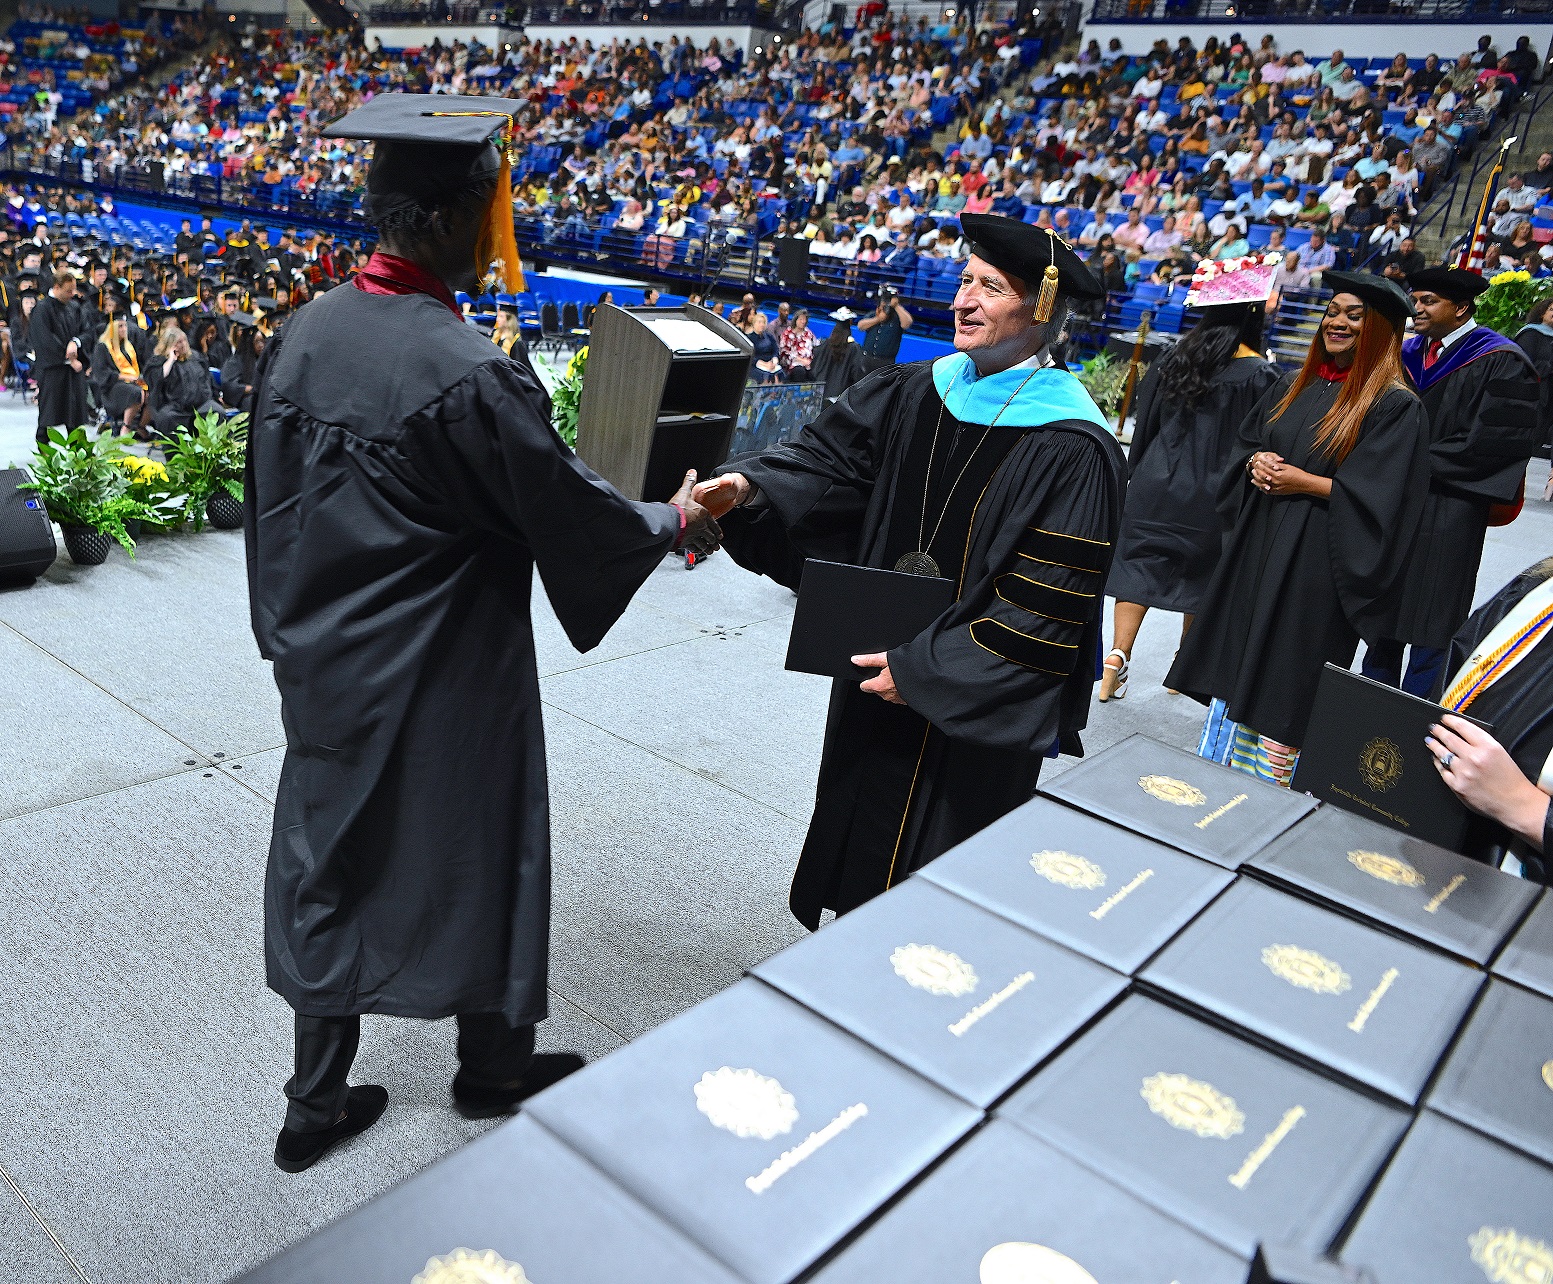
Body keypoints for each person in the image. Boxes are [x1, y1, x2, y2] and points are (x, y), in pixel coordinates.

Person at [244, 96, 722, 1175]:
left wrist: (288, 638)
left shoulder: (306, 331)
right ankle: (493, 1064)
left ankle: (313, 1105)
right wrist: (674, 519)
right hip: (449, 662)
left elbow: (269, 507)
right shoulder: (462, 369)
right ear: (466, 217)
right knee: (490, 836)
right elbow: (561, 508)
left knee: (331, 858)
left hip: (325, 657)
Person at [691, 214, 1125, 929]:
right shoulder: (913, 390)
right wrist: (748, 488)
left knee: (937, 889)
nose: (964, 300)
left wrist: (928, 672)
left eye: (990, 287)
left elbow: (1047, 607)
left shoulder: (1073, 446)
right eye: (963, 281)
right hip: (874, 665)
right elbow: (823, 465)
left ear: (1039, 310)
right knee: (861, 846)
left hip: (965, 697)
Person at [1166, 272, 1429, 785]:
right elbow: (1246, 445)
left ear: (1379, 330)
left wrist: (1307, 483)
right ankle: (1217, 776)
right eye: (1332, 311)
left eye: (1354, 315)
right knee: (1241, 658)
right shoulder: (1294, 385)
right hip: (1260, 548)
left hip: (1319, 564)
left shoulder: (1396, 406)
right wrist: (1255, 462)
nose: (1337, 322)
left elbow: (1388, 503)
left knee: (1289, 674)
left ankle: (1272, 790)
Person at [1360, 267, 1543, 697]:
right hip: (1393, 505)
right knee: (1382, 610)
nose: (1416, 308)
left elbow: (1492, 447)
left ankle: (1415, 720)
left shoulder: (1502, 361)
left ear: (1461, 308)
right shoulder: (1402, 355)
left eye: (1427, 301)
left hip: (1451, 509)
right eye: (1415, 299)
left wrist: (1401, 461)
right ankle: (1365, 709)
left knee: (1434, 617)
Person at [1102, 266, 1280, 702]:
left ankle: (1116, 659)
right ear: (1252, 313)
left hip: (1156, 484)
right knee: (1206, 579)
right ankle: (1184, 667)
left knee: (1137, 570)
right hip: (1217, 494)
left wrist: (1138, 474)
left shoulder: (1173, 358)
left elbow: (1146, 428)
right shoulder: (1261, 376)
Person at [1428, 556, 1553, 881]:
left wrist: (1523, 806)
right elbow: (1440, 699)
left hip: (1522, 902)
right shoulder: (1537, 591)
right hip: (1432, 853)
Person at [32, 267, 86, 441]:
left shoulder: (74, 307)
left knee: (75, 415)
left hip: (72, 371)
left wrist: (75, 342)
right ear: (56, 287)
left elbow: (86, 331)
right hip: (52, 370)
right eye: (68, 290)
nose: (72, 294)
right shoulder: (42, 308)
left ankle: (78, 453)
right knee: (49, 414)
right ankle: (44, 452)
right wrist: (69, 359)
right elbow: (44, 340)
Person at [147, 327, 219, 439]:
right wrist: (171, 359)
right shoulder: (159, 361)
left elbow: (206, 380)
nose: (183, 344)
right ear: (169, 345)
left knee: (216, 411)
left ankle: (210, 453)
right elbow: (158, 378)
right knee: (168, 418)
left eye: (184, 340)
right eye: (179, 342)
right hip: (172, 406)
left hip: (200, 403)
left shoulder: (196, 358)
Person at [89, 309, 147, 437]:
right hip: (111, 388)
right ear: (112, 329)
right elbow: (101, 373)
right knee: (135, 393)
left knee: (152, 391)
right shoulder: (102, 347)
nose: (124, 329)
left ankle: (141, 426)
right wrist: (125, 377)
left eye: (125, 325)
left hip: (130, 382)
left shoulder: (127, 346)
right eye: (120, 326)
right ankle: (126, 427)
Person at [810, 307, 868, 400]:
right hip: (840, 397)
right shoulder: (853, 348)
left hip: (819, 393)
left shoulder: (826, 344)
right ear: (850, 324)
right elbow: (857, 373)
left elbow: (815, 366)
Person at [857, 289, 913, 369]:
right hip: (866, 359)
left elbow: (907, 323)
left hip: (885, 362)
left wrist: (896, 306)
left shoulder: (896, 319)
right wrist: (878, 319)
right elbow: (860, 326)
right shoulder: (873, 315)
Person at [220, 314, 264, 415]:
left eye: (263, 341)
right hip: (245, 398)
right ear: (250, 343)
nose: (261, 345)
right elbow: (228, 385)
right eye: (257, 342)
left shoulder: (263, 360)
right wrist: (249, 389)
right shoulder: (235, 361)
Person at [778, 307, 817, 381]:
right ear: (795, 320)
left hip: (808, 363)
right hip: (793, 363)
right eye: (801, 319)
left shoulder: (808, 332)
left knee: (816, 372)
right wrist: (802, 360)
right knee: (800, 371)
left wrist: (810, 361)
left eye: (805, 319)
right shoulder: (787, 334)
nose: (803, 321)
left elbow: (816, 345)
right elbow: (784, 352)